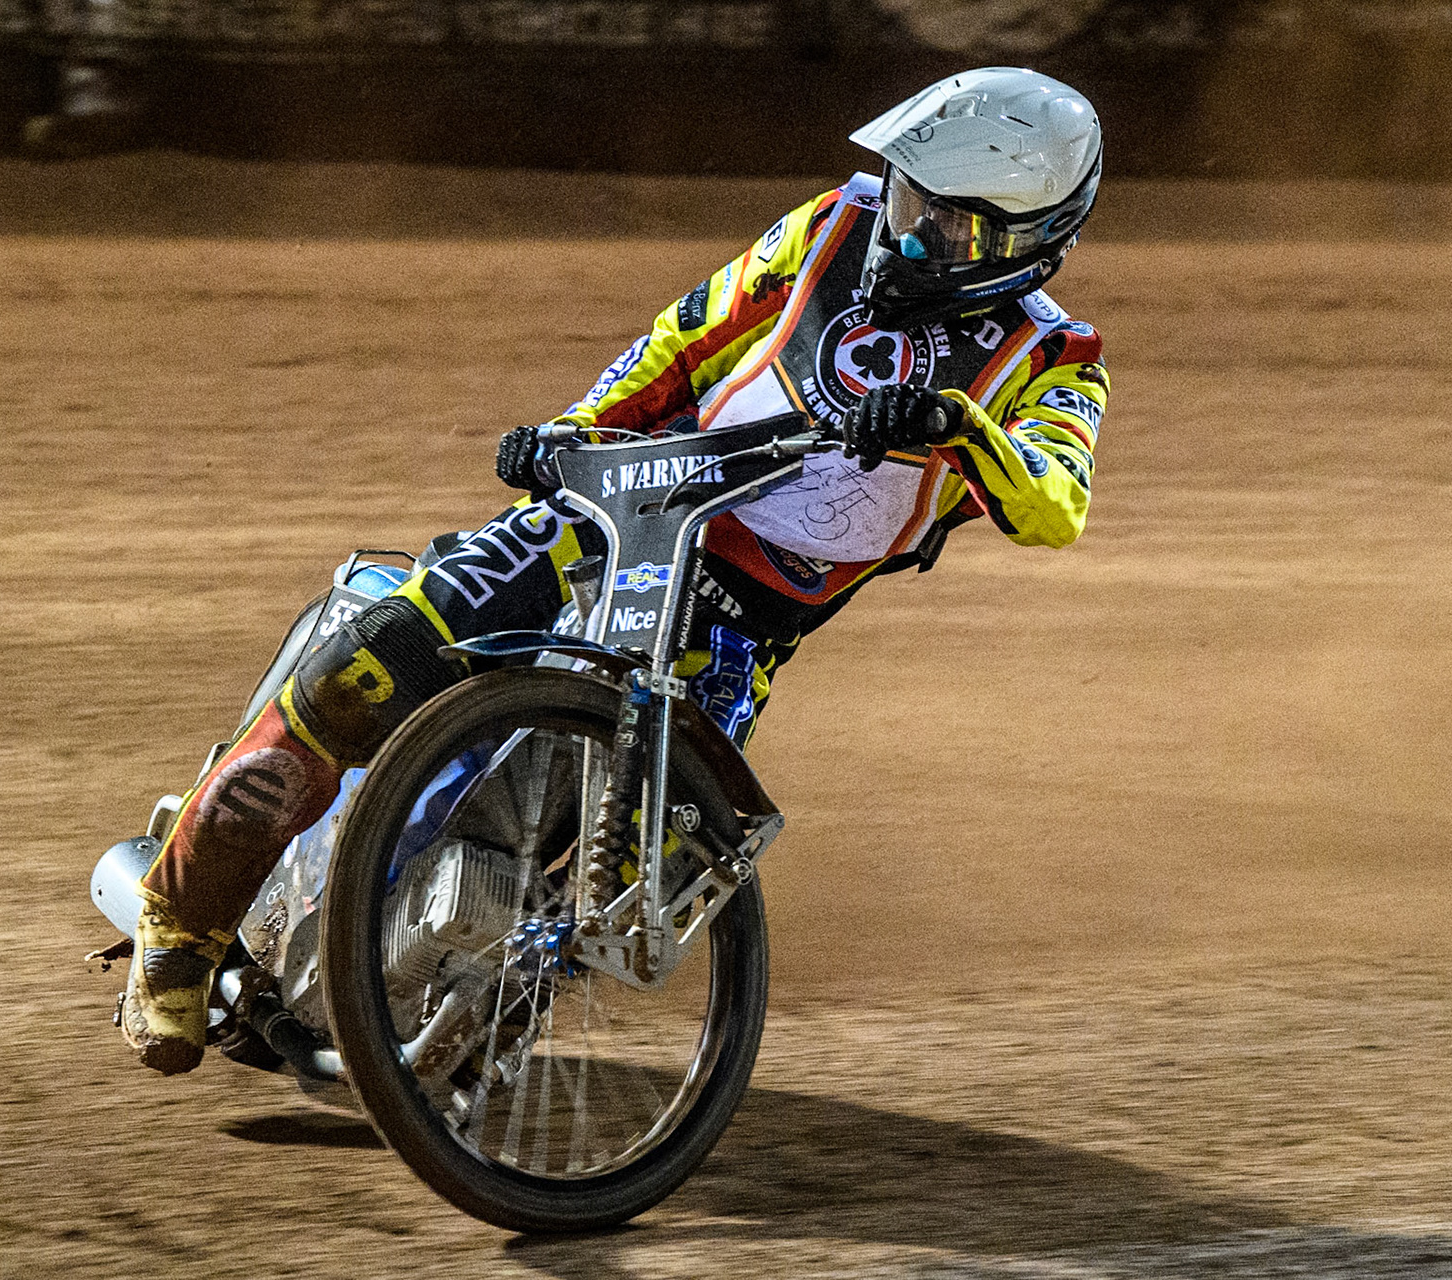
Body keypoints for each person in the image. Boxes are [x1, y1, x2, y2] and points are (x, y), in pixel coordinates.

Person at [119, 66, 1111, 1074]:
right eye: (908, 200)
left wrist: (959, 425)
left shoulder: (1056, 358)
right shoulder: (829, 229)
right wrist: (574, 432)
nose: (910, 235)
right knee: (368, 666)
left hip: (739, 624)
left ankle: (485, 1019)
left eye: (949, 226)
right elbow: (684, 342)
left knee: (662, 865)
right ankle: (179, 926)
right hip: (617, 513)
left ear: (1030, 240)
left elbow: (1055, 505)